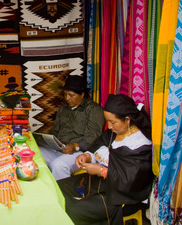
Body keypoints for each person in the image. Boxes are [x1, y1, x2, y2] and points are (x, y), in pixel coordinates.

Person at [57, 94, 154, 225]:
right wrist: (87, 156)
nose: (108, 126)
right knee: (58, 188)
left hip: (122, 197)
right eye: (107, 121)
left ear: (127, 120)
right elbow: (98, 145)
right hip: (101, 184)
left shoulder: (140, 145)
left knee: (73, 209)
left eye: (112, 122)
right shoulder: (115, 132)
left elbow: (131, 181)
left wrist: (101, 171)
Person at [38, 74, 105, 180]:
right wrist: (49, 140)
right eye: (65, 94)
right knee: (36, 154)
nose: (67, 98)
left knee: (59, 166)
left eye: (71, 95)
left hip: (79, 152)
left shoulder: (93, 110)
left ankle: (64, 195)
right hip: (59, 149)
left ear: (82, 94)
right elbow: (55, 131)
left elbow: (94, 136)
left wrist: (76, 146)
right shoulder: (63, 109)